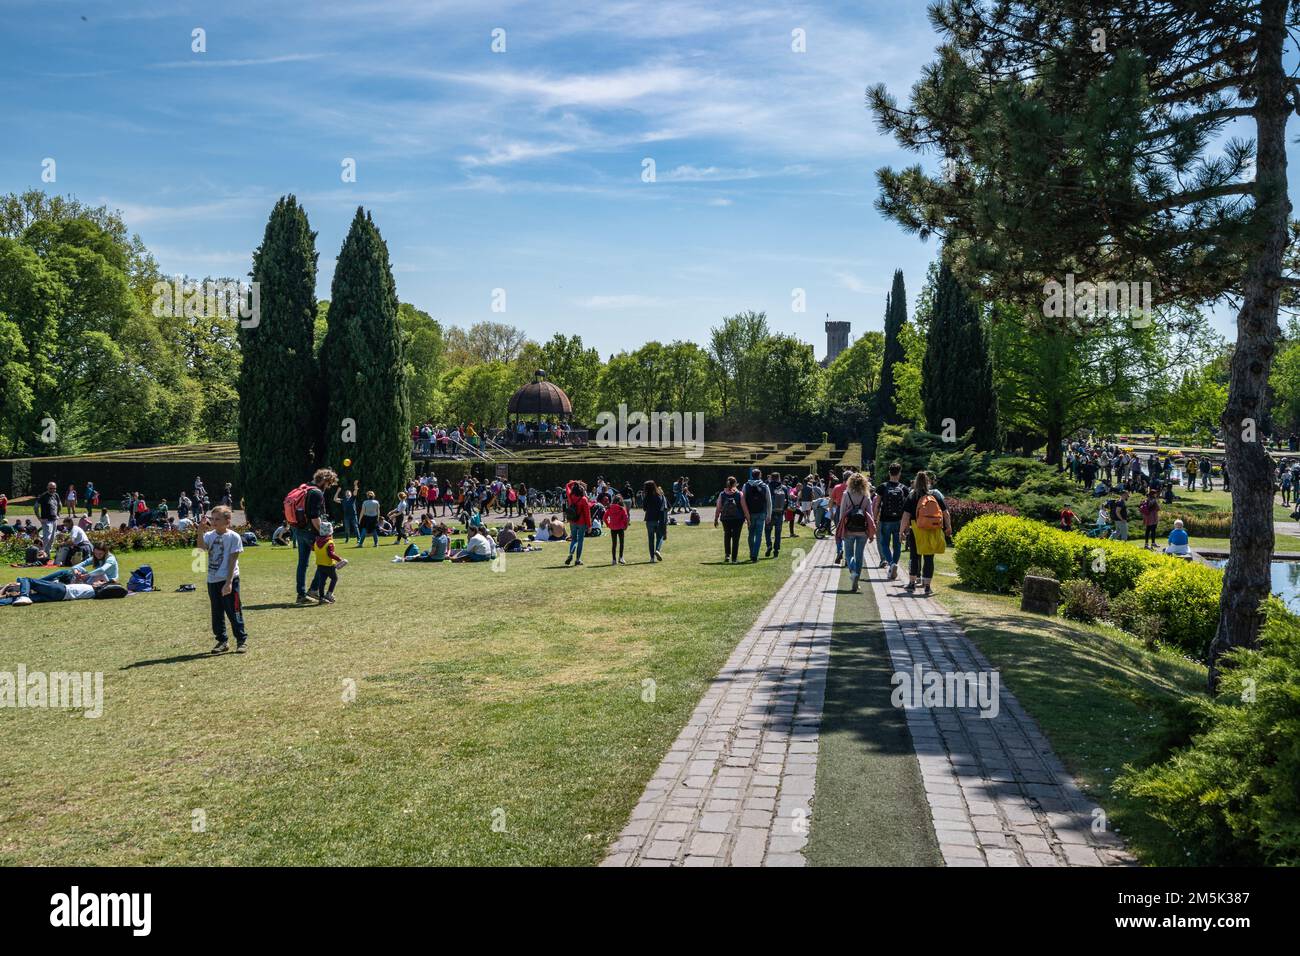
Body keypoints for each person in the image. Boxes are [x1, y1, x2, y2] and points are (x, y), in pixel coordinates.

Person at [196, 505, 247, 654]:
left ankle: (241, 640)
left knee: (234, 610)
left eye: (218, 519)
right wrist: (200, 531)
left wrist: (229, 582)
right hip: (213, 580)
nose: (214, 521)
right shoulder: (209, 535)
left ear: (227, 521)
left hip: (229, 579)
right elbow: (200, 550)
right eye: (213, 518)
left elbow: (232, 561)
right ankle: (222, 641)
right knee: (217, 612)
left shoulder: (233, 537)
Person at [899, 471, 951, 596]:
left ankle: (912, 583)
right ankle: (927, 586)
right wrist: (948, 527)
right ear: (928, 482)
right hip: (933, 529)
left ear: (915, 482)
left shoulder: (912, 496)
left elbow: (905, 516)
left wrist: (901, 532)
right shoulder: (935, 496)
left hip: (917, 530)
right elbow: (945, 513)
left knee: (914, 556)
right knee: (929, 558)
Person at [291, 468, 338, 604]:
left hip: (299, 530)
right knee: (325, 561)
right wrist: (324, 534)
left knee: (302, 563)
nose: (328, 487)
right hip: (312, 533)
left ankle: (301, 594)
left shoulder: (305, 488)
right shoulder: (316, 493)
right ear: (324, 480)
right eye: (329, 484)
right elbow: (314, 517)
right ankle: (314, 589)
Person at [836, 471, 877, 593]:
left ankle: (853, 572)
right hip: (862, 530)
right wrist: (871, 532)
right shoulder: (866, 495)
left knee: (849, 554)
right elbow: (870, 514)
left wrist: (840, 528)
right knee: (859, 555)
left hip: (849, 528)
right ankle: (856, 580)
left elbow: (842, 512)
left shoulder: (846, 494)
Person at [875, 463, 908, 580]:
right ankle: (894, 564)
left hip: (885, 520)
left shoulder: (882, 487)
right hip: (899, 521)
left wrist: (875, 518)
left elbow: (877, 504)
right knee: (897, 544)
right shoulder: (904, 488)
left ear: (889, 472)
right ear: (899, 473)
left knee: (884, 544)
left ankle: (891, 563)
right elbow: (906, 508)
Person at [308, 520, 348, 604]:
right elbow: (331, 554)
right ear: (330, 532)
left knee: (322, 581)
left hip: (320, 564)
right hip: (329, 564)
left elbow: (312, 548)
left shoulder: (316, 541)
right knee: (334, 578)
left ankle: (321, 597)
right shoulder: (329, 542)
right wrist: (340, 559)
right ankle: (329, 594)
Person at [41, 542, 118, 586]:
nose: (97, 556)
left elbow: (102, 570)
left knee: (64, 573)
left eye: (100, 554)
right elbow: (79, 565)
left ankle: (40, 582)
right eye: (95, 554)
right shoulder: (95, 557)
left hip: (106, 581)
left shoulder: (110, 558)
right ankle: (40, 582)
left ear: (105, 552)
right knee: (70, 571)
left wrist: (86, 576)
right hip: (95, 579)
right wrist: (75, 570)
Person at [714, 476, 748, 564]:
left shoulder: (722, 494)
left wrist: (716, 518)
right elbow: (744, 507)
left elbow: (718, 507)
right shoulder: (739, 494)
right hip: (738, 518)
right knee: (736, 538)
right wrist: (748, 518)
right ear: (735, 483)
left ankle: (727, 555)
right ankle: (734, 558)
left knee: (727, 536)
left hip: (725, 518)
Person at [742, 468, 772, 563]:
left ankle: (752, 553)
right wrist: (769, 514)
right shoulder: (764, 486)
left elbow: (743, 500)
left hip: (750, 513)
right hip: (761, 513)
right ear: (760, 475)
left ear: (752, 475)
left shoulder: (746, 485)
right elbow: (769, 501)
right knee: (759, 535)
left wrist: (745, 514)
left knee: (751, 534)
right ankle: (755, 554)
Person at [563, 480, 591, 566]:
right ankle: (577, 559)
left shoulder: (570, 496)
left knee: (574, 539)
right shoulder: (584, 499)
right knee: (580, 540)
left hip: (572, 521)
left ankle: (570, 554)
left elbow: (567, 485)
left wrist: (575, 482)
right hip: (581, 522)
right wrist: (589, 525)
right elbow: (587, 513)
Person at [765, 472, 790, 558]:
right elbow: (787, 501)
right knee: (778, 533)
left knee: (768, 530)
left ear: (771, 478)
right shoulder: (784, 488)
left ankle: (769, 545)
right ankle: (776, 550)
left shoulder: (767, 487)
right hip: (779, 513)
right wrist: (783, 510)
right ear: (779, 478)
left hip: (770, 512)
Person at [642, 480, 668, 561]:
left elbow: (644, 508)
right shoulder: (659, 496)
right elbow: (663, 508)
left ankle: (652, 558)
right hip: (658, 519)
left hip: (649, 519)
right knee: (660, 536)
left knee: (651, 539)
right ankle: (657, 550)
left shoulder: (646, 497)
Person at [36, 482, 60, 553]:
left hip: (54, 520)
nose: (52, 490)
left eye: (54, 488)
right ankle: (40, 552)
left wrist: (58, 514)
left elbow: (60, 504)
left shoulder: (56, 495)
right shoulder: (43, 496)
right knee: (47, 538)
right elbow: (36, 507)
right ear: (47, 488)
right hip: (47, 521)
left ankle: (47, 554)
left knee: (52, 538)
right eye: (50, 488)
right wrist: (39, 518)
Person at [606, 495, 629, 565]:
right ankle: (621, 558)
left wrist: (608, 524)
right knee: (621, 543)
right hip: (620, 527)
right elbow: (626, 518)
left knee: (614, 544)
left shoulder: (610, 508)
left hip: (612, 528)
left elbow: (604, 517)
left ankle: (614, 559)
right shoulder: (622, 508)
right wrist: (626, 526)